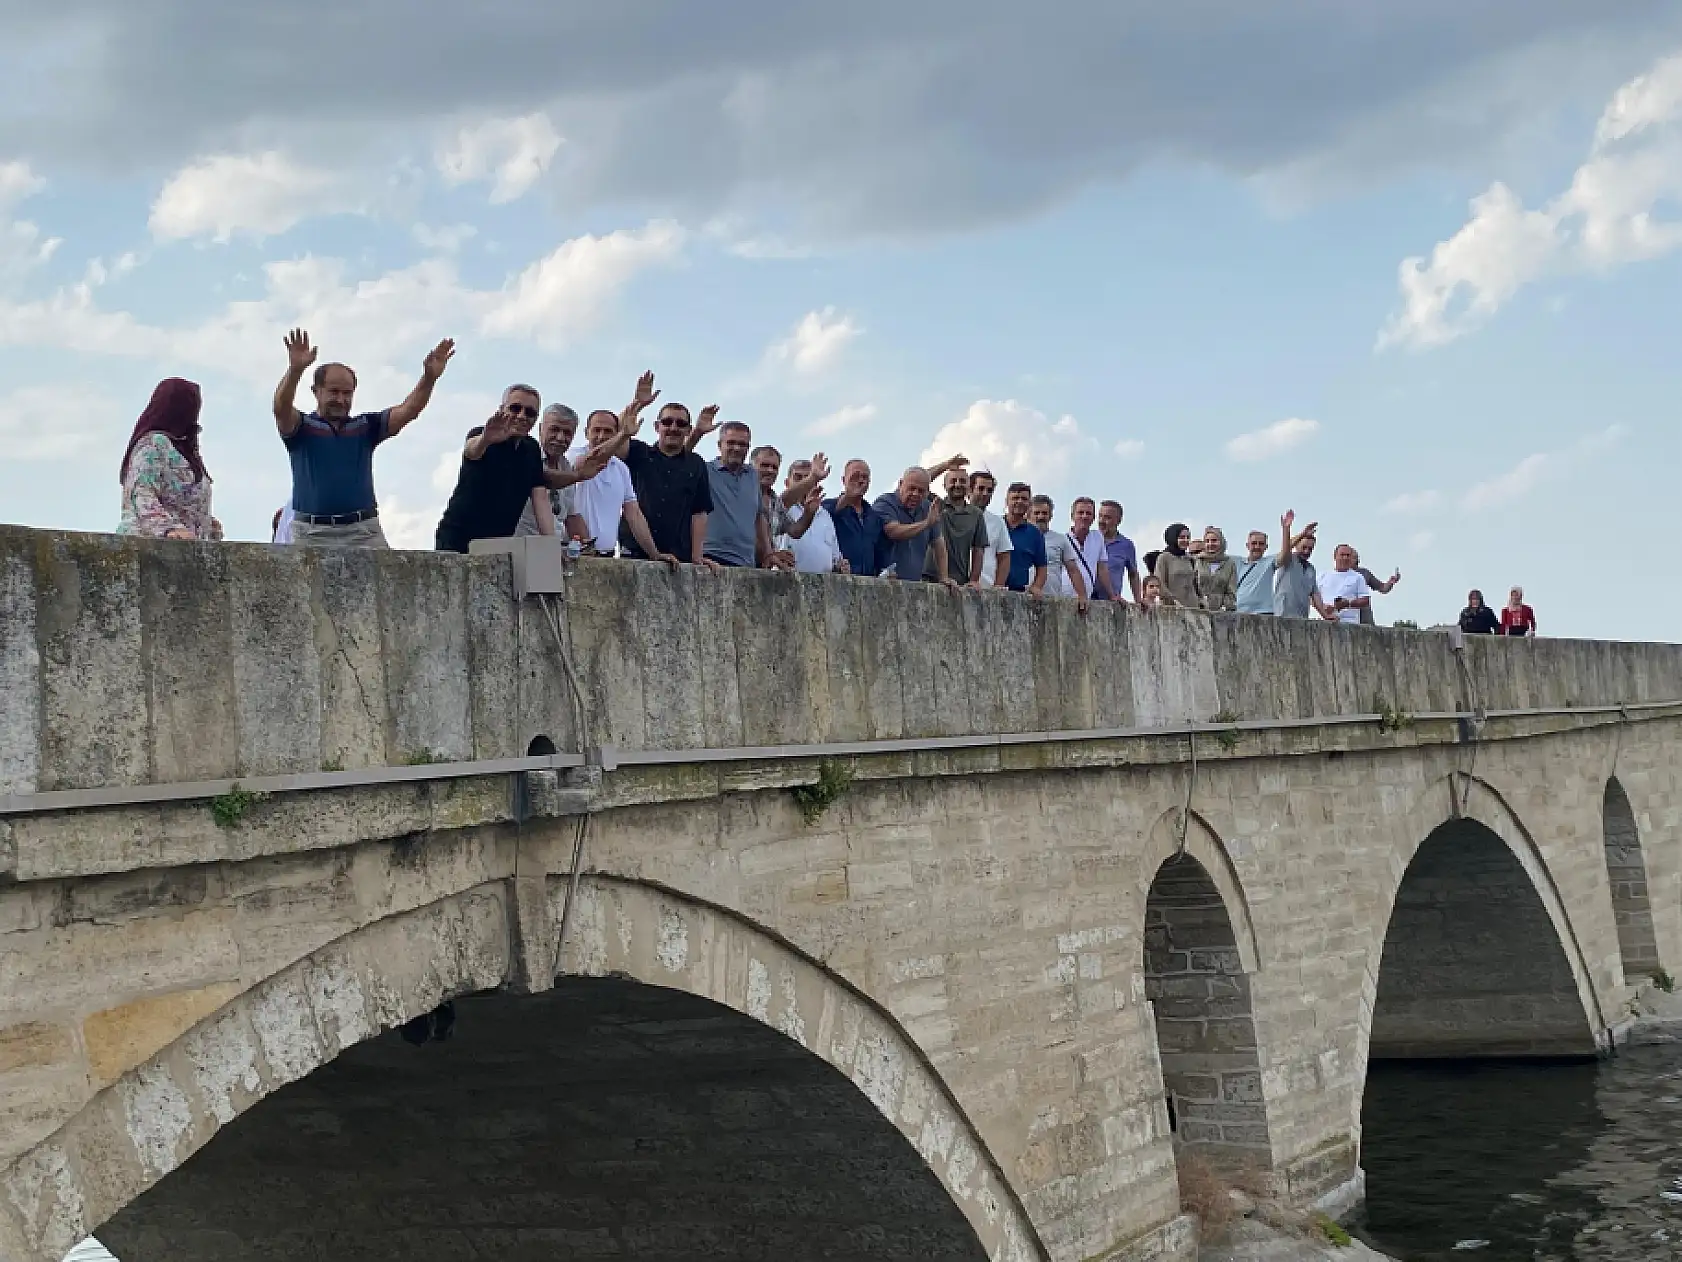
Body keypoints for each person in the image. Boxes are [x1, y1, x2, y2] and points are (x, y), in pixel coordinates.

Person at [274, 327, 454, 547]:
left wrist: (429, 378)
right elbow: (281, 408)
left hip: (363, 532)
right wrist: (295, 371)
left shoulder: (365, 427)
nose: (341, 400)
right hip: (312, 533)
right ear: (316, 391)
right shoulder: (301, 427)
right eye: (334, 392)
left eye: (347, 393)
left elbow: (409, 410)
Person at [608, 375, 718, 567]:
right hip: (635, 553)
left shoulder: (696, 463)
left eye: (680, 424)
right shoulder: (638, 452)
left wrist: (697, 556)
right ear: (657, 427)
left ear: (687, 430)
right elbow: (612, 440)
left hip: (679, 559)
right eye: (667, 422)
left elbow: (699, 513)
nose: (673, 428)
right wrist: (636, 404)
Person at [433, 385, 557, 553]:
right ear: (501, 409)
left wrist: (552, 544)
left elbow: (540, 497)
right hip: (458, 538)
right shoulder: (481, 434)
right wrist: (485, 439)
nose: (521, 416)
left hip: (499, 544)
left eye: (530, 412)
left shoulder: (531, 448)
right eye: (515, 408)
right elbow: (472, 451)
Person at [117, 377, 222, 540]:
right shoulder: (153, 444)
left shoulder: (187, 452)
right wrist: (169, 529)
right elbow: (142, 492)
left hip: (184, 555)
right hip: (149, 550)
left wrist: (206, 524)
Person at [569, 408, 673, 563]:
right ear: (586, 432)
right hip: (575, 555)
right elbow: (592, 460)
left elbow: (634, 515)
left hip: (608, 557)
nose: (601, 436)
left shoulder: (621, 468)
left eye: (608, 431)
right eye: (596, 430)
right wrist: (623, 436)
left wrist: (654, 554)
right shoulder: (573, 456)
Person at [705, 421, 783, 569]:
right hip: (711, 558)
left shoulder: (752, 475)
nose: (737, 448)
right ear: (719, 445)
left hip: (745, 561)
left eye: (742, 444)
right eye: (731, 443)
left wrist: (768, 553)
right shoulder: (705, 471)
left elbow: (759, 516)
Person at [517, 404, 591, 541]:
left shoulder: (566, 466)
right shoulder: (524, 457)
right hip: (522, 548)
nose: (560, 438)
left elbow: (571, 516)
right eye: (554, 430)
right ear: (540, 429)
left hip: (554, 550)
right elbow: (543, 476)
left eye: (567, 433)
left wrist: (590, 550)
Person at [875, 467, 954, 586]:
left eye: (921, 491)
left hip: (914, 585)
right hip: (884, 583)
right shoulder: (885, 503)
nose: (915, 494)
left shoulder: (928, 508)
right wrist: (926, 523)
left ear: (927, 492)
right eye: (911, 488)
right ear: (901, 484)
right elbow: (893, 531)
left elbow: (939, 544)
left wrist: (944, 577)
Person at [779, 459, 847, 574]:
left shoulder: (825, 515)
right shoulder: (780, 508)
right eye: (798, 477)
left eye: (808, 478)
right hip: (787, 584)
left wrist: (841, 567)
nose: (804, 482)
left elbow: (835, 559)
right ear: (787, 483)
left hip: (822, 587)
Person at [827, 460, 887, 578]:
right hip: (839, 580)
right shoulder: (828, 507)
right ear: (843, 480)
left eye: (865, 477)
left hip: (868, 585)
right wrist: (849, 495)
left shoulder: (874, 518)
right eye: (855, 476)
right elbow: (833, 511)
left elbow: (879, 554)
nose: (860, 481)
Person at [928, 467, 988, 587]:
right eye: (953, 480)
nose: (957, 484)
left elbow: (979, 549)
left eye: (962, 481)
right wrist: (947, 464)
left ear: (969, 486)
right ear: (944, 485)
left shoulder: (976, 514)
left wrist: (974, 580)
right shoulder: (935, 504)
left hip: (959, 581)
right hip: (928, 578)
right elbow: (921, 478)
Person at [1273, 510, 1336, 620]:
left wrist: (1325, 615)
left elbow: (1315, 594)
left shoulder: (1311, 569)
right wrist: (1293, 531)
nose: (1306, 551)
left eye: (1310, 549)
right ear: (1297, 546)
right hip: (1282, 615)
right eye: (1304, 547)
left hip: (1301, 617)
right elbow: (1285, 549)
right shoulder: (1288, 559)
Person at [1030, 494, 1088, 610]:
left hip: (1051, 600)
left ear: (1051, 515)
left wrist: (1082, 596)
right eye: (1036, 513)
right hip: (1023, 595)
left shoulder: (1060, 539)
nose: (1041, 516)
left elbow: (1073, 570)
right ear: (1028, 514)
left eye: (1044, 513)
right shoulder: (1020, 537)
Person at [968, 470, 1014, 589]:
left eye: (989, 491)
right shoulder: (953, 516)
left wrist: (998, 585)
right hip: (957, 586)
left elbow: (1004, 556)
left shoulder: (998, 522)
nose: (985, 493)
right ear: (970, 490)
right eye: (981, 488)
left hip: (986, 588)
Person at [1067, 497, 1116, 604]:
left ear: (1093, 518)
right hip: (1063, 597)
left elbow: (1102, 569)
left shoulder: (1098, 538)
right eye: (1080, 512)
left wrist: (1112, 595)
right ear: (1072, 516)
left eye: (1088, 513)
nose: (1084, 516)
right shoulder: (1063, 540)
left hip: (1086, 600)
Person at [1002, 482, 1048, 595]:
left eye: (1024, 498)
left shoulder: (1035, 533)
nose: (1020, 501)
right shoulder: (995, 525)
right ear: (1007, 501)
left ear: (1029, 504)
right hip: (992, 588)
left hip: (1019, 593)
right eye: (1015, 498)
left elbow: (1042, 567)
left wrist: (1036, 587)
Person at [1096, 500, 1142, 603]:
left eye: (1107, 517)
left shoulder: (1126, 545)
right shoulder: (1089, 539)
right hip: (1087, 601)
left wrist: (1138, 599)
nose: (1102, 521)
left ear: (1118, 520)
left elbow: (1133, 574)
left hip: (1112, 603)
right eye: (1100, 516)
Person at [1316, 544, 1373, 625]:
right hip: (1324, 622)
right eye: (1342, 555)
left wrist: (1348, 603)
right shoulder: (1323, 576)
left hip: (1350, 624)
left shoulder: (1358, 577)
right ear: (1335, 556)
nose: (1345, 558)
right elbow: (1312, 597)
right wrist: (1322, 607)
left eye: (1348, 555)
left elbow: (1365, 600)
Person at [1153, 524, 1201, 608]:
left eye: (1188, 537)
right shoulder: (1164, 558)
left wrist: (1201, 600)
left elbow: (1195, 584)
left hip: (1193, 607)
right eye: (1182, 537)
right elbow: (1160, 583)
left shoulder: (1190, 559)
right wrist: (1172, 601)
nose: (1185, 540)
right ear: (1173, 538)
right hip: (1173, 609)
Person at [1351, 549, 1401, 626]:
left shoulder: (1364, 573)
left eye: (1356, 557)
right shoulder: (1337, 574)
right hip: (1346, 614)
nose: (1355, 559)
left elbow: (1383, 588)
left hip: (1364, 615)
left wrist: (1391, 582)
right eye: (1351, 557)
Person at [1197, 527, 1238, 613]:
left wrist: (1225, 608)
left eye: (1214, 540)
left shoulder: (1229, 563)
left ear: (1221, 542)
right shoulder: (1197, 561)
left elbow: (1231, 591)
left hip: (1222, 613)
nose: (1210, 544)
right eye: (1207, 541)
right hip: (1198, 610)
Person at [1234, 530, 1273, 615]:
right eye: (1254, 543)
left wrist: (1286, 529)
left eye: (1261, 544)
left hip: (1264, 612)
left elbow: (1285, 553)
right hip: (1239, 612)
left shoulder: (1270, 562)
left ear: (1266, 547)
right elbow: (1215, 556)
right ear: (1247, 545)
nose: (1257, 546)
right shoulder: (1236, 561)